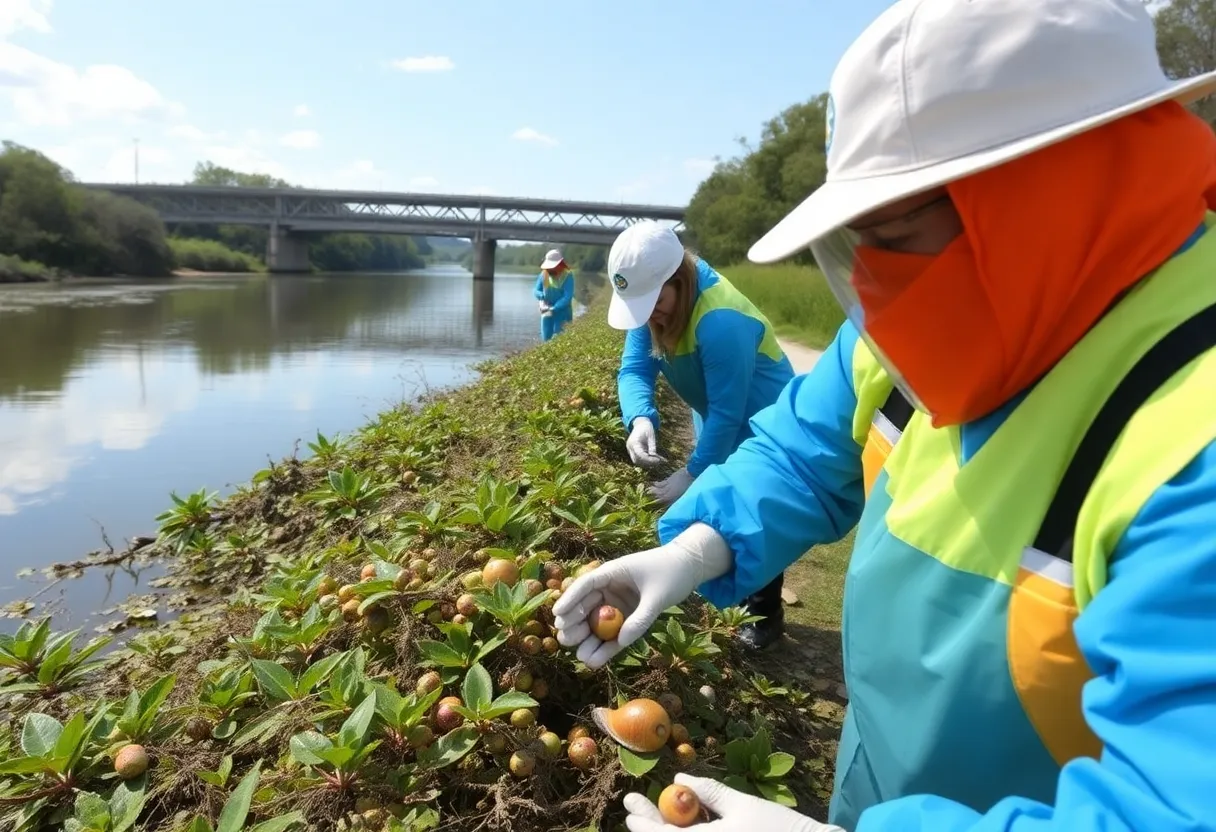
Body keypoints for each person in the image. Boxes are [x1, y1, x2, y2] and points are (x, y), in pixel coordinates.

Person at [554, 1, 1216, 831]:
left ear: (1045, 194)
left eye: (896, 232)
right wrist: (695, 546)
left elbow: (1173, 808)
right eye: (856, 244)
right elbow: (801, 453)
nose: (873, 286)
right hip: (876, 784)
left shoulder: (1193, 432)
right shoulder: (920, 320)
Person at [607, 220, 795, 650]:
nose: (649, 316)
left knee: (753, 509)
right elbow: (635, 369)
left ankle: (764, 616)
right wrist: (640, 418)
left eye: (654, 303)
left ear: (679, 280)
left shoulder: (721, 321)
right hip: (716, 414)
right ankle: (730, 595)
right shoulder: (655, 303)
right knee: (719, 501)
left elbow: (731, 413)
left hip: (763, 419)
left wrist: (689, 472)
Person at [534, 248, 575, 342]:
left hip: (563, 312)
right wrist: (540, 296)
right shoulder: (544, 274)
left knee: (562, 338)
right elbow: (536, 289)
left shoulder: (567, 275)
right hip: (546, 310)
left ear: (560, 264)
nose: (550, 269)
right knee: (546, 337)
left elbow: (567, 296)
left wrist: (554, 308)